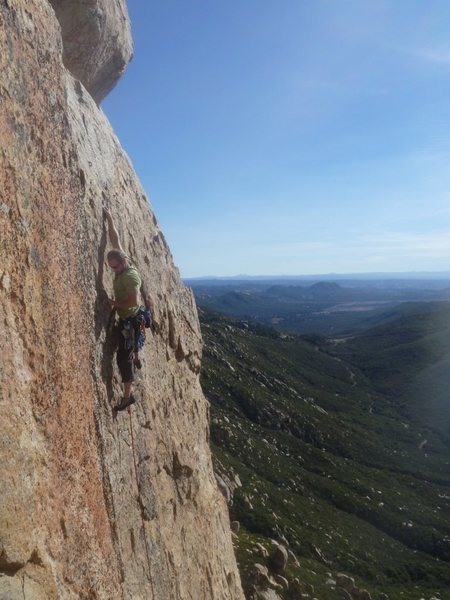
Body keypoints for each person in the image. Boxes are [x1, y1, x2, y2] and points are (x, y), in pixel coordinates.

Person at [104, 208, 144, 411]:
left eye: (116, 267)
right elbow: (115, 239)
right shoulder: (122, 256)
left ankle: (128, 396)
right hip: (128, 319)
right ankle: (136, 358)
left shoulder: (130, 276)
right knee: (126, 352)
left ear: (124, 262)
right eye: (111, 267)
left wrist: (115, 304)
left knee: (123, 357)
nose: (115, 270)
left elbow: (134, 301)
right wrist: (110, 218)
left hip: (131, 319)